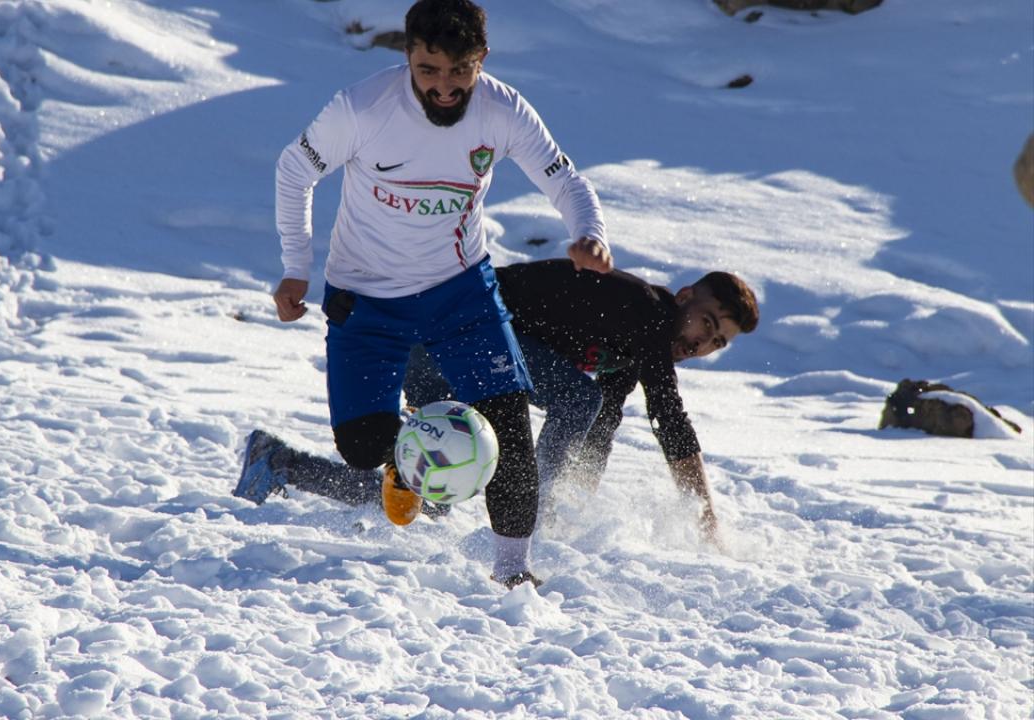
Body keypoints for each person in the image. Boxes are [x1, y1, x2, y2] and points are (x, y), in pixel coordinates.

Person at [266, 0, 612, 590]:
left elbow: (565, 180)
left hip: (461, 291)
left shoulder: (504, 110)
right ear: (408, 58)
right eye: (429, 71)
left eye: (460, 71)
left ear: (481, 61)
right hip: (366, 296)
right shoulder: (362, 108)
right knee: (360, 445)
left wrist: (590, 235)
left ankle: (512, 570)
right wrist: (296, 269)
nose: (445, 87)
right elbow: (294, 170)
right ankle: (404, 459)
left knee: (507, 426)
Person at [238, 261, 760, 550]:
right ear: (686, 296)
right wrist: (706, 518)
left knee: (436, 490)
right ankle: (533, 517)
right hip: (444, 336)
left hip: (450, 356)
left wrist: (577, 507)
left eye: (717, 343)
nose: (700, 344)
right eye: (707, 324)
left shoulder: (631, 352)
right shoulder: (647, 312)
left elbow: (600, 429)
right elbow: (669, 418)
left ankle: (278, 464)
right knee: (580, 395)